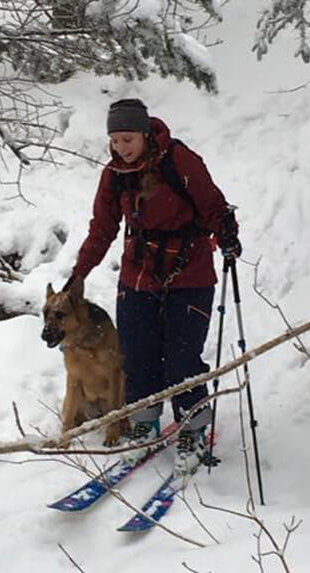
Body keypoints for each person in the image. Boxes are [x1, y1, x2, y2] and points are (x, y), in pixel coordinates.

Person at [70, 98, 241, 474]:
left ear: (145, 134)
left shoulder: (179, 161)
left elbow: (213, 205)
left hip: (189, 271)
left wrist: (227, 233)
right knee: (137, 352)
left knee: (181, 358)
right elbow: (102, 229)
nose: (120, 147)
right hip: (139, 272)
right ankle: (145, 422)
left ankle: (193, 428)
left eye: (127, 139)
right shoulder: (114, 174)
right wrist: (78, 273)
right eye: (114, 140)